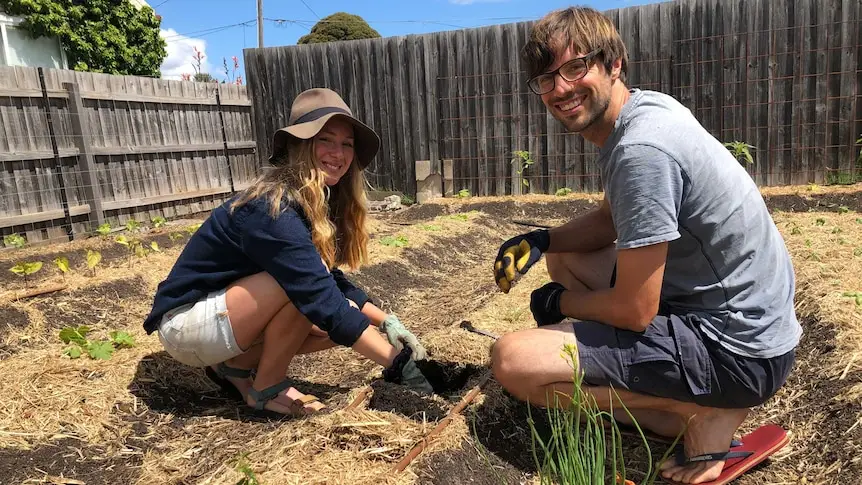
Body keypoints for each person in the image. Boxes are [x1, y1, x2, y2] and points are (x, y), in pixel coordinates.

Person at [490, 7, 800, 485]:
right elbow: (614, 221)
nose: (560, 88)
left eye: (576, 67)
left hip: (737, 350)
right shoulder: (645, 111)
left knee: (513, 362)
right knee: (566, 255)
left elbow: (635, 310)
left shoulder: (642, 152)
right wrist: (541, 239)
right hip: (746, 324)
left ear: (614, 63)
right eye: (546, 78)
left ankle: (698, 411)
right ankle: (677, 407)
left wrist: (559, 302)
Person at [142, 88, 432, 418]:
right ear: (301, 144)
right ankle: (265, 388)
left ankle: (236, 367)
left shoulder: (309, 200)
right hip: (185, 326)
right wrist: (399, 364)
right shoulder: (272, 208)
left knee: (338, 315)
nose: (338, 153)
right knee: (307, 293)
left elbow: (329, 278)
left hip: (224, 317)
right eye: (326, 139)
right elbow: (315, 289)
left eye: (347, 144)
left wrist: (387, 321)